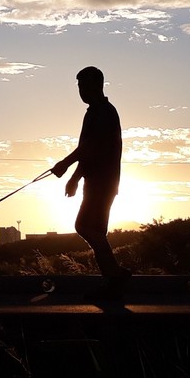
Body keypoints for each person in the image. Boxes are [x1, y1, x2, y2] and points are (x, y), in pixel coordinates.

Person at [50, 65, 131, 297]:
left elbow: (89, 149)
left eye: (83, 86)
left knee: (84, 227)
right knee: (95, 230)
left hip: (102, 183)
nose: (81, 91)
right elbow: (87, 151)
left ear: (97, 85)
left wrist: (66, 167)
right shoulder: (95, 112)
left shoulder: (103, 112)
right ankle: (113, 280)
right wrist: (74, 177)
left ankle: (115, 275)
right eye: (79, 86)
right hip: (99, 182)